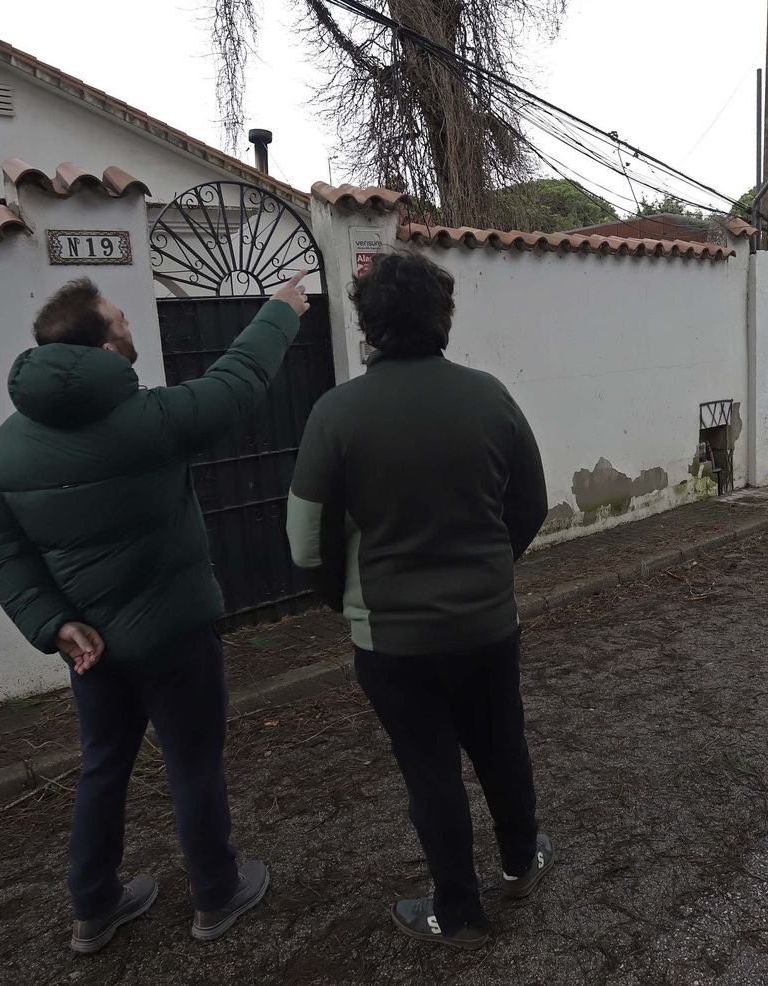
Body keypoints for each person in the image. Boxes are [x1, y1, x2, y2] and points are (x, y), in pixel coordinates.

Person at [0, 273, 309, 954]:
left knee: (103, 764)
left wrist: (53, 623)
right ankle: (216, 893)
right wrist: (281, 309)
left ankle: (93, 907)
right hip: (176, 634)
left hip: (90, 645)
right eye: (120, 318)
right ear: (101, 342)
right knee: (192, 763)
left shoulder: (3, 450)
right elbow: (238, 382)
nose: (130, 326)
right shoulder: (148, 420)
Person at [286, 252, 553, 950]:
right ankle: (523, 863)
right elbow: (531, 504)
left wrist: (343, 600)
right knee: (502, 746)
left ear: (367, 325)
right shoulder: (490, 396)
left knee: (428, 768)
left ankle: (458, 910)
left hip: (393, 642)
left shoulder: (336, 413)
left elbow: (306, 540)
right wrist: (493, 568)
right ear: (444, 317)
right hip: (488, 625)